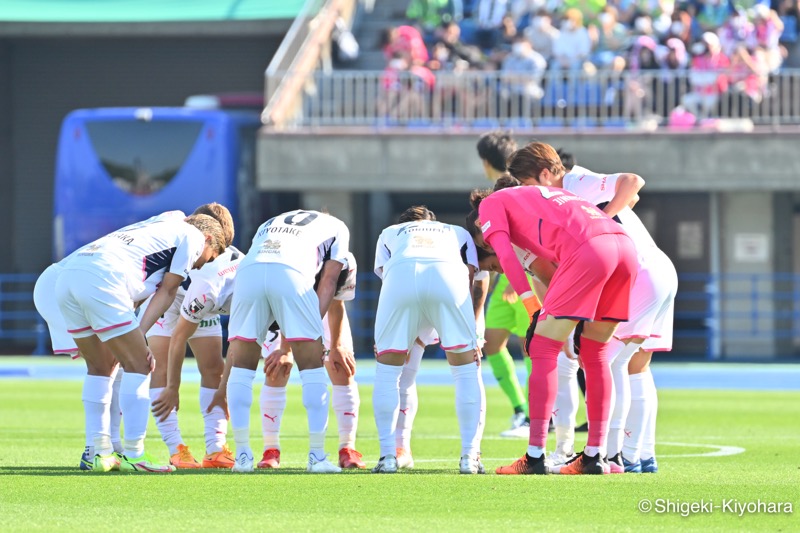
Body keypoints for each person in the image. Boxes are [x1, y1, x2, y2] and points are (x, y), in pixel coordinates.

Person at [507, 142, 677, 474]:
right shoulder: (566, 198)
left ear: (545, 173)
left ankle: (612, 456)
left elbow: (633, 181)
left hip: (640, 272)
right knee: (631, 366)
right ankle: (640, 455)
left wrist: (604, 219)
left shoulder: (573, 183)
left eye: (529, 186)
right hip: (655, 269)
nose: (529, 195)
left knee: (606, 363)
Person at [469, 153, 638, 476]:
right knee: (596, 352)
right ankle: (594, 457)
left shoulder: (490, 207)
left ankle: (534, 458)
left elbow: (506, 255)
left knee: (542, 348)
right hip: (623, 249)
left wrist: (533, 308)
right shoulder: (539, 201)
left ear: (480, 223)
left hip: (590, 250)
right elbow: (549, 271)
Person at [53, 212, 225, 472]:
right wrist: (140, 336)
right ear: (208, 238)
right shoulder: (193, 237)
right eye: (209, 257)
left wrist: (136, 333)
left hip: (69, 274)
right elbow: (168, 290)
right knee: (140, 365)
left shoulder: (161, 225)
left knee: (100, 367)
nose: (201, 266)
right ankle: (135, 455)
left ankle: (98, 453)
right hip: (102, 275)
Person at [225, 209, 353, 473]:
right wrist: (305, 330)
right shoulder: (337, 225)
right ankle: (317, 457)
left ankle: (242, 457)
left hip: (248, 271)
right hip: (291, 271)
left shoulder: (271, 220)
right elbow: (329, 281)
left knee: (242, 368)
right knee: (312, 369)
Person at [372, 206, 485, 474]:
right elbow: (473, 276)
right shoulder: (456, 231)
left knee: (388, 373)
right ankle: (470, 457)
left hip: (400, 278)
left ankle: (388, 456)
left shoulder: (389, 232)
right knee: (466, 372)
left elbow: (387, 277)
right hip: (449, 279)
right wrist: (468, 331)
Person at [145, 204, 240, 469]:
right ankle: (176, 447)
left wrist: (223, 390)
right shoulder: (179, 237)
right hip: (167, 296)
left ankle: (216, 447)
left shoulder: (232, 262)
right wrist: (173, 388)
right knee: (160, 367)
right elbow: (177, 339)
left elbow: (239, 339)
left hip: (201, 298)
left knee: (213, 367)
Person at [255, 252, 366, 470]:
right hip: (284, 311)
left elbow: (336, 304)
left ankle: (347, 448)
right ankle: (270, 449)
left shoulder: (344, 256)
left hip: (324, 313)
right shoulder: (291, 252)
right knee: (277, 369)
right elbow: (288, 304)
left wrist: (335, 347)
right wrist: (285, 349)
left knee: (342, 367)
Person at [475, 131, 540, 439]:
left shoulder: (514, 187)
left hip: (524, 273)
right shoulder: (509, 185)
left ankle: (536, 415)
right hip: (506, 276)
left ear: (486, 162)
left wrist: (517, 280)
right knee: (492, 342)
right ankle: (521, 410)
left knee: (532, 345)